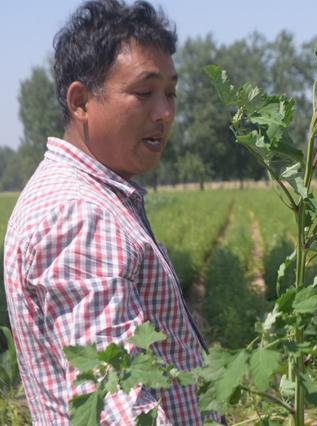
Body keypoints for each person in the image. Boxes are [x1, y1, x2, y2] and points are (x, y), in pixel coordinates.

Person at [3, 1, 218, 424]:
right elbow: (116, 407)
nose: (166, 112)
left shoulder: (91, 197)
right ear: (81, 102)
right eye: (144, 92)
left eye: (171, 93)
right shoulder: (78, 216)